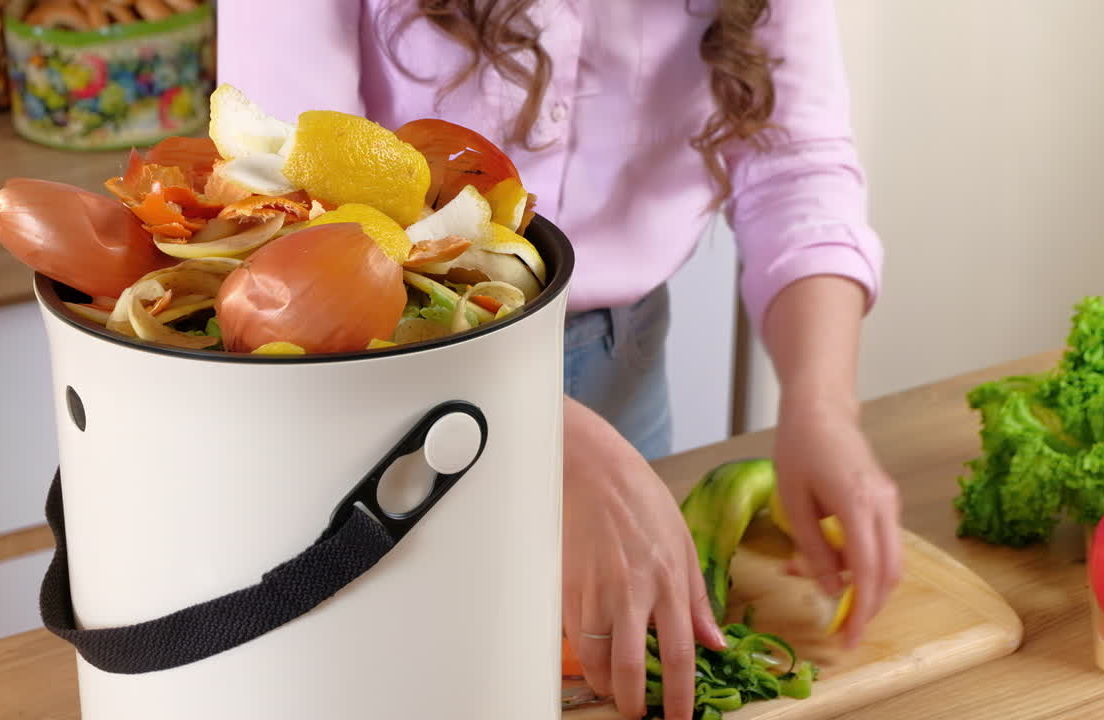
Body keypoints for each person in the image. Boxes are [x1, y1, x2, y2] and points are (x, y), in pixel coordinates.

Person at [218, 2, 901, 718]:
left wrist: (820, 403)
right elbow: (289, 188)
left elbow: (794, 167)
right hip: (383, 379)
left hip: (621, 369)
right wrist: (535, 423)